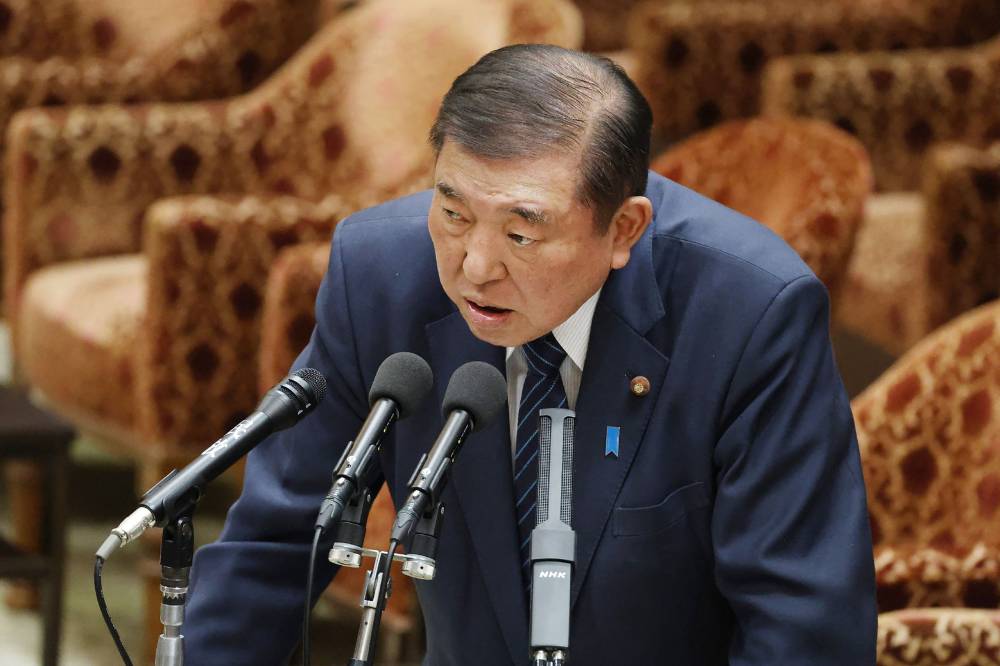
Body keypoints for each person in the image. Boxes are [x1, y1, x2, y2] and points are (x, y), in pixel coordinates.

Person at [184, 44, 876, 664]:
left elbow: (803, 629)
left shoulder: (750, 317)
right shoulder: (380, 280)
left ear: (623, 229)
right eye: (453, 214)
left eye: (522, 235)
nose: (474, 268)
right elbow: (276, 543)